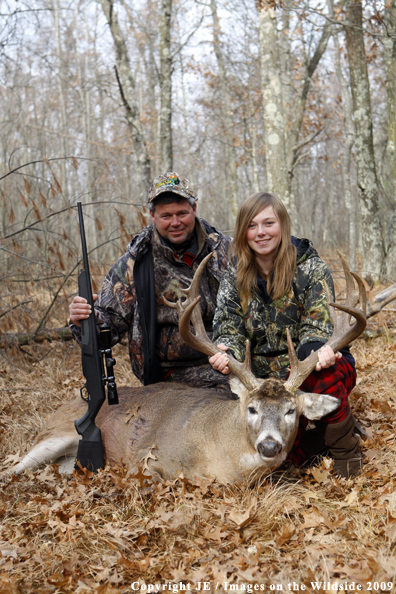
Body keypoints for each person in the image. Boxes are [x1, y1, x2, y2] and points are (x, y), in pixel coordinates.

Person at [209, 192, 362, 478]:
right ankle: (320, 438)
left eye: (269, 223)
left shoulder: (310, 268)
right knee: (285, 459)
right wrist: (227, 352)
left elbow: (319, 323)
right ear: (243, 232)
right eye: (252, 226)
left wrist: (317, 350)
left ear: (283, 225)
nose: (261, 232)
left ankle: (347, 455)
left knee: (317, 366)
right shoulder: (234, 275)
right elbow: (228, 325)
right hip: (265, 382)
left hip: (312, 369)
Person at [69, 172, 231, 389]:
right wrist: (83, 321)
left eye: (182, 213)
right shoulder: (136, 263)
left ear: (194, 209)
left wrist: (232, 349)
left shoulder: (226, 252)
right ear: (152, 216)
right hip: (169, 376)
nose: (175, 222)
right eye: (166, 216)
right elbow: (107, 328)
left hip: (226, 365)